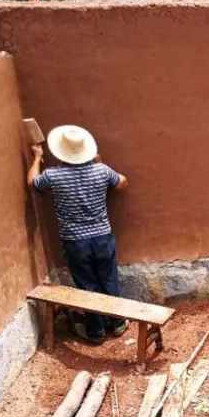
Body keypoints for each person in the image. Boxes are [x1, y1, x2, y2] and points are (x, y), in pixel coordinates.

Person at [27, 125, 130, 344]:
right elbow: (122, 183)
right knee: (108, 279)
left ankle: (96, 331)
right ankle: (118, 323)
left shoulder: (53, 176)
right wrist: (100, 165)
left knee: (87, 285)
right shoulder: (101, 170)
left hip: (75, 241)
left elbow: (32, 184)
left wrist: (36, 158)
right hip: (103, 237)